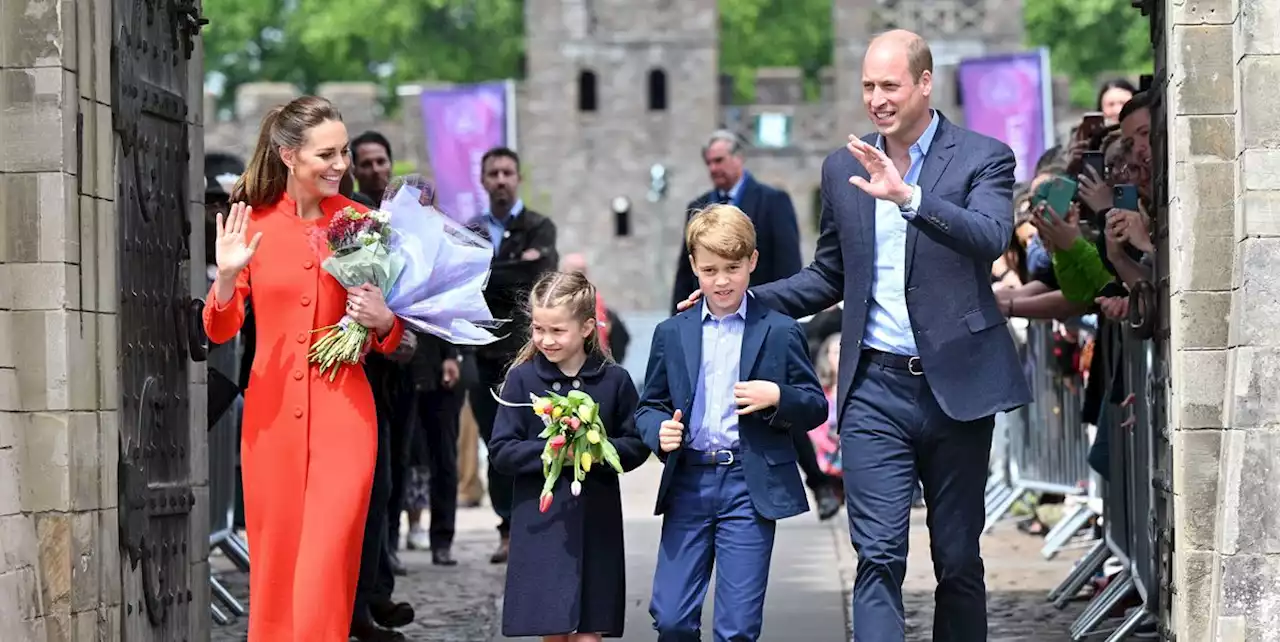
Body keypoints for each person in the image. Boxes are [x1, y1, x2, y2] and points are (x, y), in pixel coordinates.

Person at [678, 30, 1030, 640]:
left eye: (890, 85)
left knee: (957, 562)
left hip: (958, 386)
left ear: (924, 83)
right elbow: (828, 277)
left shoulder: (983, 156)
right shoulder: (844, 167)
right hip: (874, 389)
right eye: (868, 85)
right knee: (878, 558)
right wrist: (743, 297)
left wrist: (910, 197)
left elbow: (990, 236)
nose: (877, 98)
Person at [204, 95, 406, 642]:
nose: (340, 164)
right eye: (327, 154)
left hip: (346, 418)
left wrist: (384, 320)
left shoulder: (366, 224)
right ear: (288, 155)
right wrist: (225, 278)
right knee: (274, 571)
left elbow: (402, 338)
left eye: (343, 151)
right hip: (270, 425)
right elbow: (219, 329)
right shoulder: (252, 224)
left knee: (324, 563)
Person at [638, 204, 828, 641]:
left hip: (749, 483)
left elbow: (815, 405)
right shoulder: (672, 332)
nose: (721, 280)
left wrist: (778, 397)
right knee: (670, 618)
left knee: (737, 628)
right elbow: (649, 406)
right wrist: (659, 430)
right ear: (693, 268)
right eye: (709, 269)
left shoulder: (780, 330)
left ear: (752, 263)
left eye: (733, 267)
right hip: (689, 481)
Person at [488, 271, 651, 641]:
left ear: (587, 327)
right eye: (539, 329)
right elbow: (501, 450)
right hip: (541, 521)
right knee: (554, 629)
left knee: (590, 631)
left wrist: (596, 452)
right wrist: (552, 450)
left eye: (558, 331)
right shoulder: (522, 379)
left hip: (597, 521)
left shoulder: (614, 380)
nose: (546, 340)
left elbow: (637, 443)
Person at [467, 146, 560, 563]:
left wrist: (493, 272)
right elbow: (465, 286)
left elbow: (538, 277)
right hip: (484, 355)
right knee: (497, 444)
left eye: (507, 172)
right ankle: (507, 528)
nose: (501, 180)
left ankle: (538, 523)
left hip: (529, 354)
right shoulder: (471, 231)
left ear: (517, 177)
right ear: (484, 180)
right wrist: (510, 269)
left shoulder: (540, 227)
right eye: (493, 173)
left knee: (536, 439)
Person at [404, 332, 464, 566]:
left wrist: (454, 354)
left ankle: (442, 541)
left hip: (442, 365)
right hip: (401, 364)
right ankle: (387, 545)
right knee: (398, 460)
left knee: (444, 459)